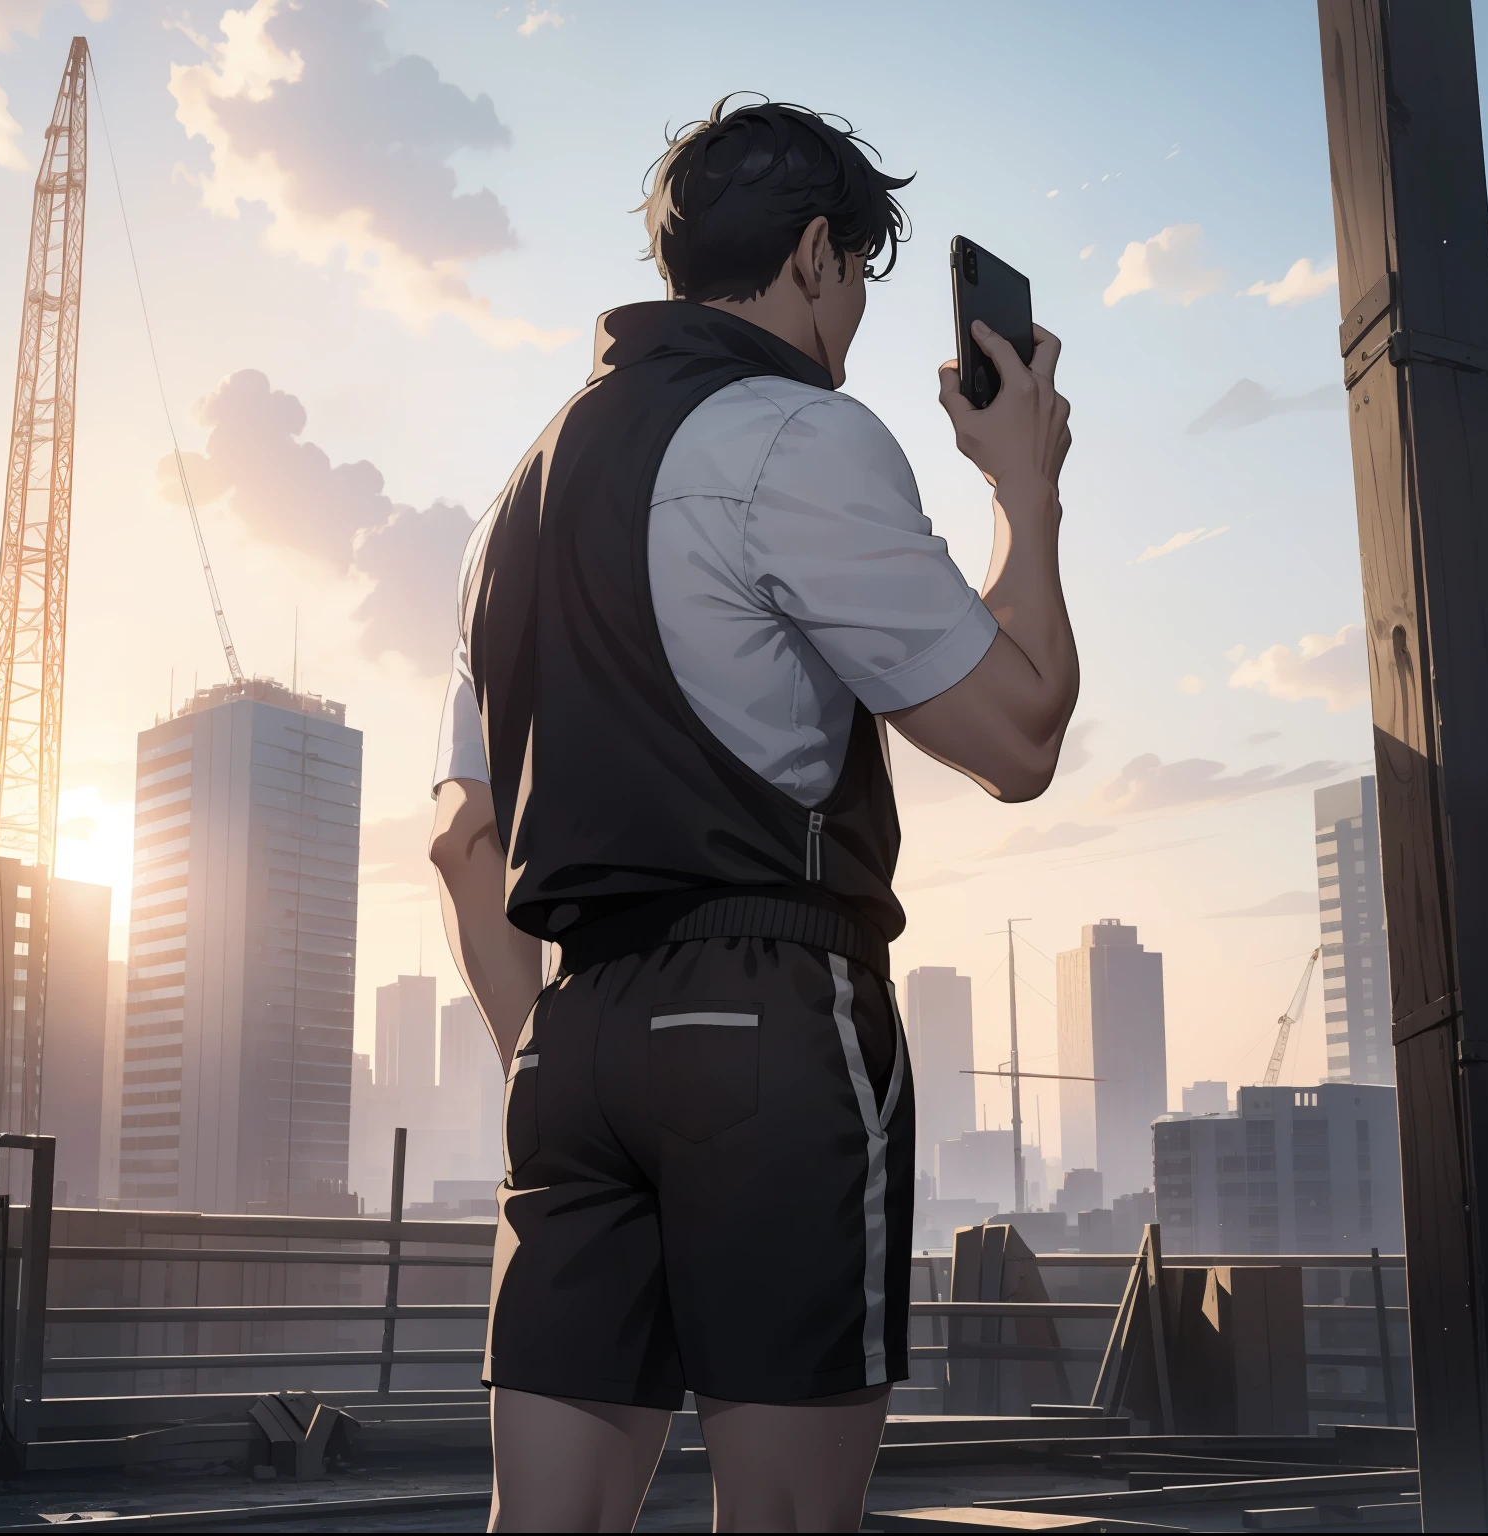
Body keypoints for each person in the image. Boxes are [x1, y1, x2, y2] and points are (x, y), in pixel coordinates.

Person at [429, 97, 1077, 1533]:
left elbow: (462, 841)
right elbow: (1019, 736)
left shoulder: (515, 501)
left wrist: (546, 1049)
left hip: (568, 1045)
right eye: (855, 277)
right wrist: (1023, 490)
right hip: (766, 1022)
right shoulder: (797, 434)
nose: (851, 317)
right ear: (809, 256)